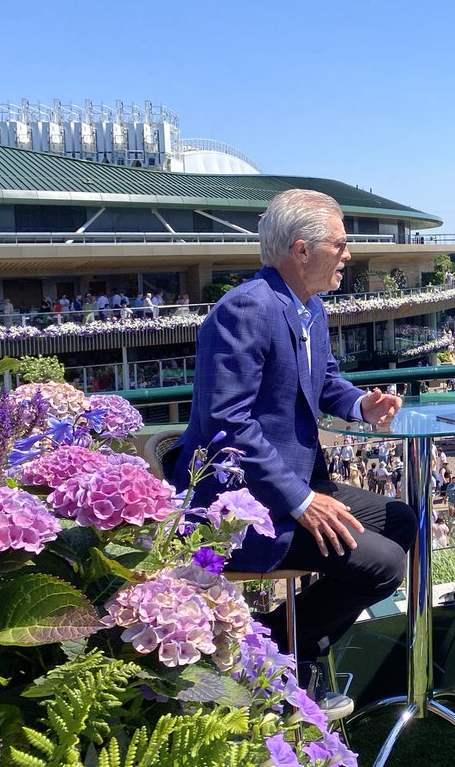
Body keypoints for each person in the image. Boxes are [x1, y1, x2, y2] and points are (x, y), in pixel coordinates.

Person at [165, 189, 416, 700]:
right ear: (302, 250)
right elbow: (227, 423)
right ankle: (273, 657)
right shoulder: (245, 309)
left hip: (291, 486)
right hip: (239, 507)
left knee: (401, 521)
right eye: (339, 244)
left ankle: (282, 651)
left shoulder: (310, 308)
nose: (348, 254)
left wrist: (361, 405)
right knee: (384, 564)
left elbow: (326, 381)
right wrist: (302, 501)